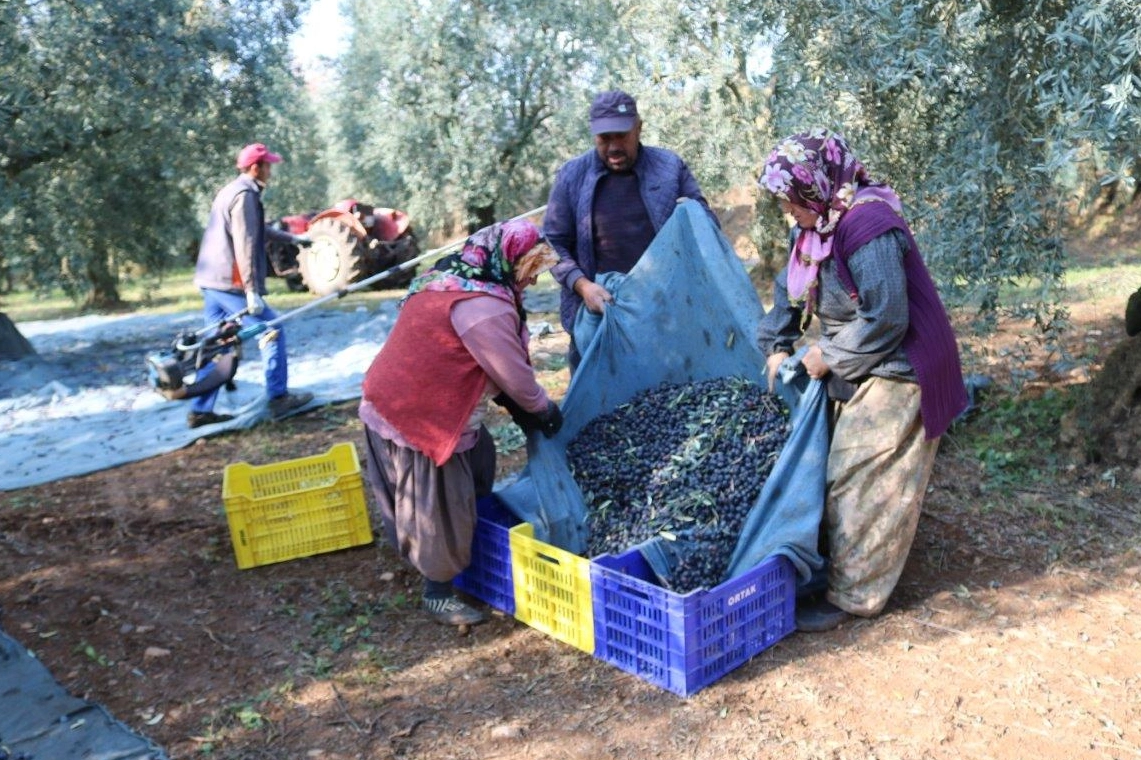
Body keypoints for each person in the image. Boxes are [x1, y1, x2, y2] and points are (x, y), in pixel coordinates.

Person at [756, 129, 968, 632]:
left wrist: (827, 355)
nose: (787, 209)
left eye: (790, 198)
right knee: (832, 464)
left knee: (859, 472)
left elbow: (888, 316)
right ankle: (842, 561)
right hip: (866, 356)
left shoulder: (866, 223)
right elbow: (786, 300)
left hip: (905, 363)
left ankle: (854, 595)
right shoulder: (810, 228)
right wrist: (777, 346)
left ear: (814, 185)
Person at [358, 219, 562, 626]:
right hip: (423, 416)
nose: (534, 281)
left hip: (392, 396)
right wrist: (541, 410)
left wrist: (520, 407)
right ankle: (438, 591)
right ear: (508, 261)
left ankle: (472, 537)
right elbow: (514, 376)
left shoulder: (452, 279)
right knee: (441, 504)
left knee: (481, 458)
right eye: (530, 269)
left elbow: (478, 362)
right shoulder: (483, 307)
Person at [543, 89, 721, 370]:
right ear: (593, 135)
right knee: (600, 402)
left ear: (639, 128)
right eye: (604, 138)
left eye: (621, 136)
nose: (613, 146)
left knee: (667, 396)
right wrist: (582, 285)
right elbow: (551, 244)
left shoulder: (669, 168)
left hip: (665, 312)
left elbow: (707, 225)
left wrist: (694, 213)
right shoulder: (571, 176)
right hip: (599, 311)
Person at [190, 142, 313, 429]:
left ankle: (200, 410)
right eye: (268, 165)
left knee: (217, 343)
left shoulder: (232, 190)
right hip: (230, 282)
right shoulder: (245, 195)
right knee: (271, 329)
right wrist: (251, 290)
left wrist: (293, 240)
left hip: (210, 280)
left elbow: (256, 230)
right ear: (256, 167)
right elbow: (245, 243)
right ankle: (279, 397)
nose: (271, 170)